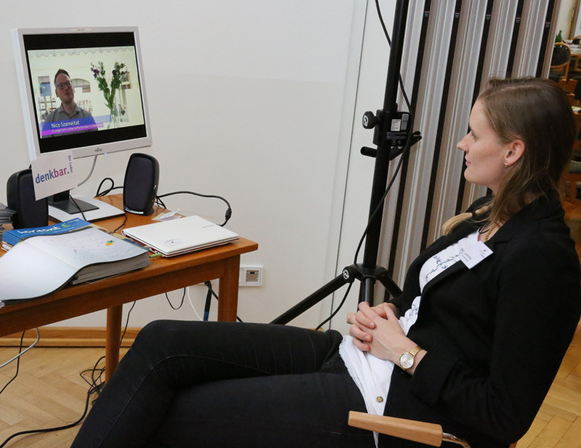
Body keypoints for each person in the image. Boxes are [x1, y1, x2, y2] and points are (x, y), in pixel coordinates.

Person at [71, 77, 581, 448]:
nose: (462, 144)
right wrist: (390, 315)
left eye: (475, 133)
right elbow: (434, 306)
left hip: (399, 408)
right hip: (364, 360)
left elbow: (503, 415)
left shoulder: (543, 259)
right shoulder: (490, 212)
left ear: (513, 151)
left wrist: (404, 353)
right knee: (162, 340)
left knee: (173, 412)